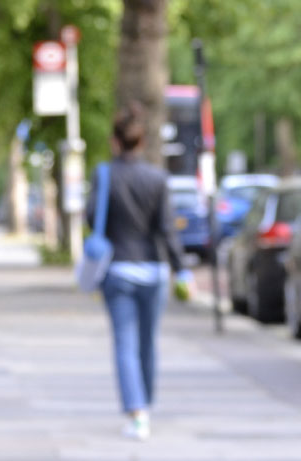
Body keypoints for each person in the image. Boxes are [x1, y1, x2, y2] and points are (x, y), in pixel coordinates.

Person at [86, 103, 192, 441]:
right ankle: (146, 401)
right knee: (148, 343)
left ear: (114, 141)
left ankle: (138, 412)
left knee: (125, 344)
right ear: (142, 142)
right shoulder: (158, 179)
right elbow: (166, 230)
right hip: (153, 272)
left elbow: (91, 218)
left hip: (117, 270)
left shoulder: (104, 175)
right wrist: (182, 270)